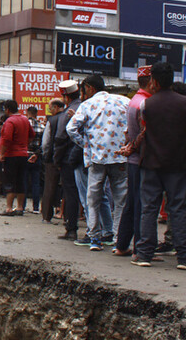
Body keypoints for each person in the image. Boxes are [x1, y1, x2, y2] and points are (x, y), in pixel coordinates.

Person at [129, 62, 186, 270]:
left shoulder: (146, 105)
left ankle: (144, 254)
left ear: (154, 81)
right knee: (179, 208)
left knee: (149, 208)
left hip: (151, 162)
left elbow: (144, 131)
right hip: (178, 163)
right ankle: (185, 257)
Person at [67, 74, 129, 252]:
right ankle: (118, 240)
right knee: (120, 200)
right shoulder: (124, 101)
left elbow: (71, 128)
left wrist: (86, 144)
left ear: (89, 88)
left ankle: (95, 238)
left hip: (96, 158)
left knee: (93, 199)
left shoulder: (88, 105)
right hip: (119, 157)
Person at [114, 66, 152, 257]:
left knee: (132, 203)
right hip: (141, 159)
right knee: (140, 204)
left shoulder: (135, 100)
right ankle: (140, 247)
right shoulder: (145, 103)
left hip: (134, 159)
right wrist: (132, 147)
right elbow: (145, 134)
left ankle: (122, 244)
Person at [53, 80, 83, 241]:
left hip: (69, 158)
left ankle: (71, 228)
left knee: (71, 193)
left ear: (66, 97)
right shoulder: (85, 107)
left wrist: (57, 160)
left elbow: (60, 139)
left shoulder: (68, 113)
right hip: (88, 156)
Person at [0, 99, 34, 216]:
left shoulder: (10, 121)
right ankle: (20, 207)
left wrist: (2, 153)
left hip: (11, 155)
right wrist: (24, 145)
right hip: (23, 154)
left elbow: (7, 139)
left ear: (7, 110)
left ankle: (9, 208)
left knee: (10, 181)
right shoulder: (25, 119)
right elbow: (32, 135)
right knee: (21, 180)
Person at [41, 99, 65, 223]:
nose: (50, 111)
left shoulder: (52, 121)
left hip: (52, 158)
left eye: (50, 108)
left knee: (50, 187)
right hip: (67, 158)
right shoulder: (69, 117)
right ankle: (67, 216)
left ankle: (46, 215)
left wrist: (45, 155)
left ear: (55, 107)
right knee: (68, 188)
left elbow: (45, 142)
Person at [26, 106, 45, 214]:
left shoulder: (24, 125)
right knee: (36, 182)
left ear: (27, 113)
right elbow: (43, 144)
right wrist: (37, 154)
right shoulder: (41, 126)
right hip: (36, 155)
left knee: (23, 180)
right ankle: (36, 207)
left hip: (25, 154)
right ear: (36, 114)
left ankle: (22, 206)